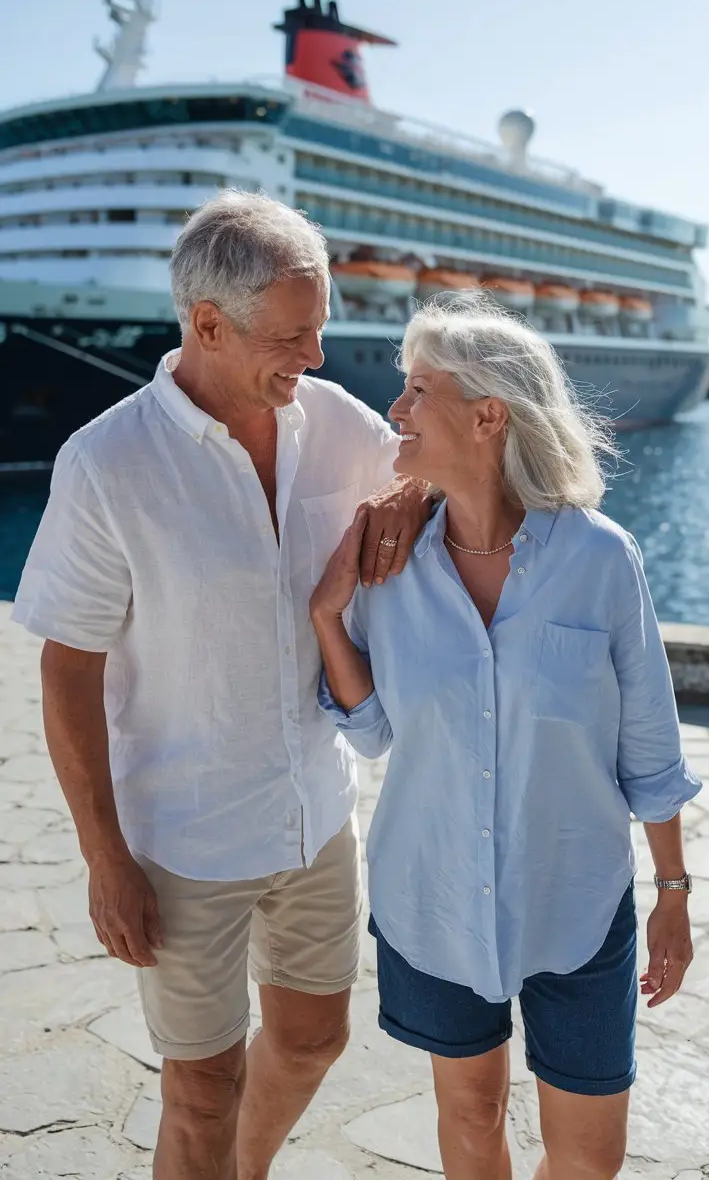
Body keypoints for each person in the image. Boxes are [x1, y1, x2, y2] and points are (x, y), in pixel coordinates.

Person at [12, 191, 434, 1180]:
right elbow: (67, 667)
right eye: (295, 334)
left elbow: (428, 469)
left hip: (318, 814)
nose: (318, 357)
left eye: (320, 326)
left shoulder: (332, 420)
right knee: (198, 1089)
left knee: (313, 1041)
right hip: (183, 843)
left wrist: (412, 499)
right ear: (207, 324)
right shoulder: (107, 463)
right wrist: (105, 858)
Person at [311, 297, 701, 1180]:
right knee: (469, 1111)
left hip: (578, 900)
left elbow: (650, 746)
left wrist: (673, 893)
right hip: (432, 898)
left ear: (490, 415)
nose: (396, 409)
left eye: (417, 389)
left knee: (592, 1153)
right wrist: (328, 616)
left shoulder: (601, 559)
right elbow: (372, 733)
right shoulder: (387, 560)